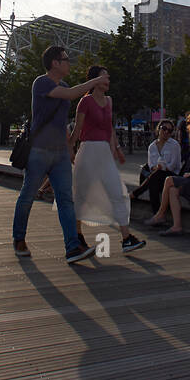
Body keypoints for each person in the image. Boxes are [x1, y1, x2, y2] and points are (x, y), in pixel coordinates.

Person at [12, 46, 108, 263]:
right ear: (55, 63)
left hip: (60, 154)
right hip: (38, 150)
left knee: (66, 199)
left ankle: (72, 247)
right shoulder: (42, 82)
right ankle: (19, 239)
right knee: (28, 195)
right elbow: (71, 94)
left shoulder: (64, 85)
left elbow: (62, 121)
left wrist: (69, 147)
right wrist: (94, 81)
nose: (69, 63)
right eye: (65, 59)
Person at [68, 66, 145, 254]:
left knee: (117, 193)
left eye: (108, 77)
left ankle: (126, 238)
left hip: (103, 152)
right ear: (94, 80)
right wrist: (69, 148)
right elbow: (77, 129)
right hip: (87, 151)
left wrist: (117, 149)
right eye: (104, 77)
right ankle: (77, 235)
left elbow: (109, 129)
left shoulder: (109, 101)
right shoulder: (85, 102)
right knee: (81, 195)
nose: (108, 80)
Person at [133, 119, 182, 212]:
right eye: (164, 128)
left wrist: (159, 168)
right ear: (158, 129)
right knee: (154, 180)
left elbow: (172, 166)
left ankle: (135, 194)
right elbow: (151, 165)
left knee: (157, 175)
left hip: (171, 176)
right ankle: (156, 214)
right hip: (156, 176)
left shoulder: (174, 145)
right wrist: (156, 168)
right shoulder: (152, 146)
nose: (166, 132)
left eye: (170, 130)